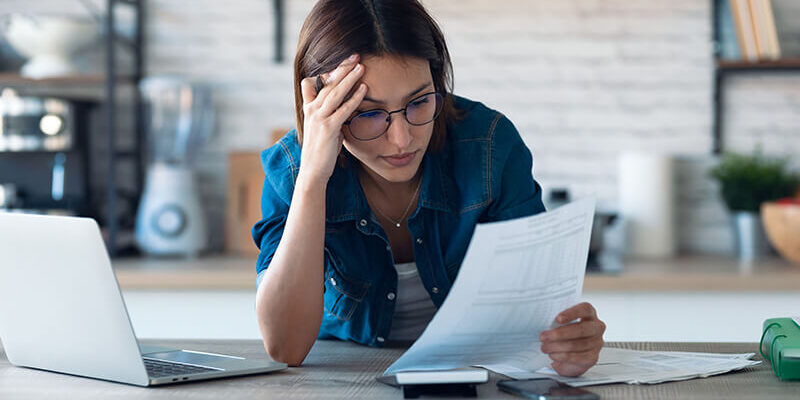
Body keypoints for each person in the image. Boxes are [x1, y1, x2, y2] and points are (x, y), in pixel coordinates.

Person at [252, 0, 606, 376]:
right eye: (369, 114)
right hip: (343, 375)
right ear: (325, 109)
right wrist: (312, 179)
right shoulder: (292, 168)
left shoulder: (489, 146)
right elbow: (286, 347)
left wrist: (569, 343)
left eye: (419, 102)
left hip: (474, 374)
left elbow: (538, 316)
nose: (402, 139)